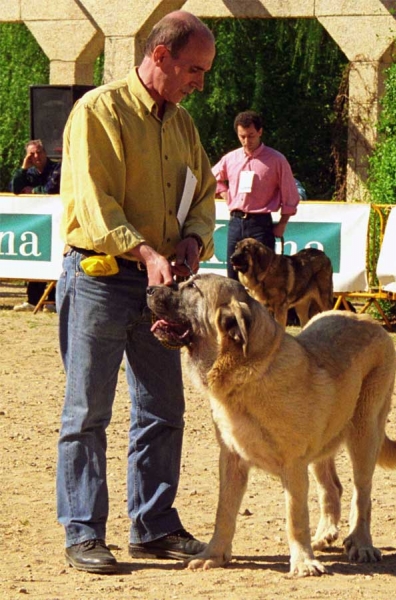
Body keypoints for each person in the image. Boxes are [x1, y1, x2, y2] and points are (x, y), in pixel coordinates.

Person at [56, 10, 216, 574]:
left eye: (204, 71)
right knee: (87, 412)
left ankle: (153, 526)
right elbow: (95, 207)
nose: (200, 81)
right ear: (160, 56)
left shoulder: (183, 125)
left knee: (162, 409)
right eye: (193, 69)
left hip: (162, 285)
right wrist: (147, 253)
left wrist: (193, 241)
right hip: (101, 279)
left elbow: (204, 194)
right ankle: (83, 533)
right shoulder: (97, 111)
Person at [212, 110, 300, 279]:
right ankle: (236, 306)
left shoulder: (276, 160)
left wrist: (282, 223)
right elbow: (211, 178)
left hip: (260, 224)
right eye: (242, 136)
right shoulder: (231, 158)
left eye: (251, 136)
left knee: (264, 277)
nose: (246, 141)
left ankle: (262, 307)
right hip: (236, 222)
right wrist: (224, 193)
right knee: (233, 275)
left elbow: (290, 195)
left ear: (260, 132)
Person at [10, 139, 60, 311]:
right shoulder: (29, 172)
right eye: (32, 154)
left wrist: (33, 191)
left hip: (56, 223)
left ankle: (51, 301)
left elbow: (51, 189)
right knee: (37, 259)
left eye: (39, 152)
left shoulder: (57, 168)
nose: (36, 156)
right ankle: (33, 301)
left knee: (55, 260)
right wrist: (24, 167)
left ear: (45, 152)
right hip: (37, 225)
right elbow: (15, 188)